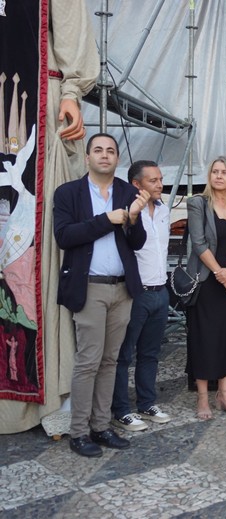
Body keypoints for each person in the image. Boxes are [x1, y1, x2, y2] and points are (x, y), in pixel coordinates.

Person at [0, 0, 99, 436]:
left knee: (34, 260)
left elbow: (71, 36)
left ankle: (48, 396)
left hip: (37, 107)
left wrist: (71, 93)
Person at [53, 133, 150, 457]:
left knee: (110, 361)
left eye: (110, 150)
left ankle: (101, 426)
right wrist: (107, 220)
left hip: (122, 288)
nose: (104, 155)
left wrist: (132, 219)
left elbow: (137, 242)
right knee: (88, 361)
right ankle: (79, 433)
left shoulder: (127, 192)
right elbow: (64, 236)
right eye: (98, 150)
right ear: (87, 157)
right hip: (89, 287)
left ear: (117, 158)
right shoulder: (69, 193)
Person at [185, 156, 226, 420]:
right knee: (205, 339)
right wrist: (222, 276)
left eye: (224, 172)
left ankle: (224, 394)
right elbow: (199, 244)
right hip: (207, 283)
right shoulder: (198, 204)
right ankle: (203, 397)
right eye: (215, 171)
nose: (219, 176)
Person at [110, 161, 171, 432]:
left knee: (150, 353)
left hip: (161, 290)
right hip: (136, 292)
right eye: (153, 180)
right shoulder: (127, 212)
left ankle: (147, 403)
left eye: (160, 179)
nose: (159, 185)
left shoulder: (164, 210)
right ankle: (121, 410)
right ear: (137, 184)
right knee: (124, 355)